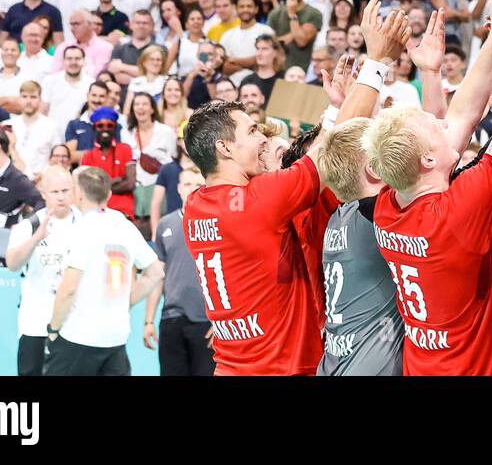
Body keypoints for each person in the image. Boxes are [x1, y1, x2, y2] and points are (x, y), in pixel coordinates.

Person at [366, 0, 492, 375]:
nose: (440, 120)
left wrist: (433, 74)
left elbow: (461, 117)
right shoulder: (455, 210)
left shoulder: (389, 204)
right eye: (432, 126)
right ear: (429, 161)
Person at [181, 97, 330, 375]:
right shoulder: (259, 200)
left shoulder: (194, 206)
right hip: (281, 368)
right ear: (224, 147)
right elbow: (325, 152)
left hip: (230, 366)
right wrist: (375, 67)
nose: (261, 138)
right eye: (251, 131)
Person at [44, 166, 163, 376]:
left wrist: (53, 328)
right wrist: (127, 302)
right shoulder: (124, 225)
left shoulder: (82, 228)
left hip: (80, 335)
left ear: (78, 194)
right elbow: (155, 271)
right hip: (115, 336)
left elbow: (69, 288)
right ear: (108, 194)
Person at [319, 118, 404, 376]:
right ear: (375, 168)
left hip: (335, 363)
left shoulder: (337, 216)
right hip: (371, 367)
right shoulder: (379, 213)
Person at [4, 166, 79, 376]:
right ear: (43, 193)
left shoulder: (85, 223)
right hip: (36, 319)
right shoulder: (29, 226)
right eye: (55, 192)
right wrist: (36, 238)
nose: (61, 197)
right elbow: (12, 264)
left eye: (66, 191)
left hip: (74, 321)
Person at [145, 167, 216, 376]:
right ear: (178, 189)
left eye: (197, 185)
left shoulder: (216, 222)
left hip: (207, 321)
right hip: (171, 319)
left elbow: (231, 275)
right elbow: (158, 276)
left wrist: (222, 323)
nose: (192, 189)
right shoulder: (165, 224)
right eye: (187, 184)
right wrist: (149, 320)